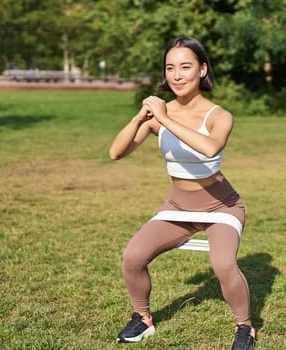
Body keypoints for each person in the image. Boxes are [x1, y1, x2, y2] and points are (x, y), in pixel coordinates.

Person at [108, 36, 256, 350]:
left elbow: (208, 149)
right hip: (178, 204)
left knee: (223, 264)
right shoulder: (158, 116)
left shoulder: (219, 115)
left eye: (185, 67)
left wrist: (163, 118)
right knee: (133, 257)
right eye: (170, 67)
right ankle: (142, 319)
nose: (177, 75)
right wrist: (140, 118)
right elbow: (115, 153)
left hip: (221, 206)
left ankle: (245, 328)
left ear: (202, 70)